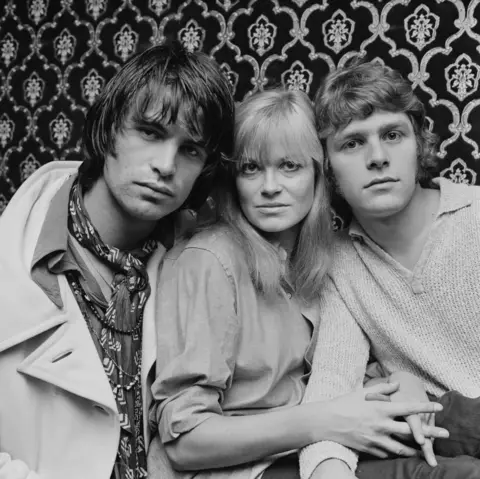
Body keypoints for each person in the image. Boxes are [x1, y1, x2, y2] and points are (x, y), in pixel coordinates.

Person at [148, 88, 445, 479]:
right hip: (236, 470)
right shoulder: (210, 259)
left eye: (289, 166)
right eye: (251, 168)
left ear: (319, 175)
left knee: (456, 429)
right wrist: (320, 422)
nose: (269, 187)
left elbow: (341, 372)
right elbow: (185, 444)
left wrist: (401, 380)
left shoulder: (319, 261)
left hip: (309, 450)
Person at [0, 41, 234, 479]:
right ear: (109, 130)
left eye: (191, 150)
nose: (166, 165)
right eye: (150, 132)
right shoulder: (15, 258)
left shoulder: (201, 265)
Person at [299, 60, 480, 479]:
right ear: (327, 167)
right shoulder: (338, 266)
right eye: (352, 143)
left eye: (393, 135)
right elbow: (330, 396)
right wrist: (329, 469)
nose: (377, 158)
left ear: (419, 144)